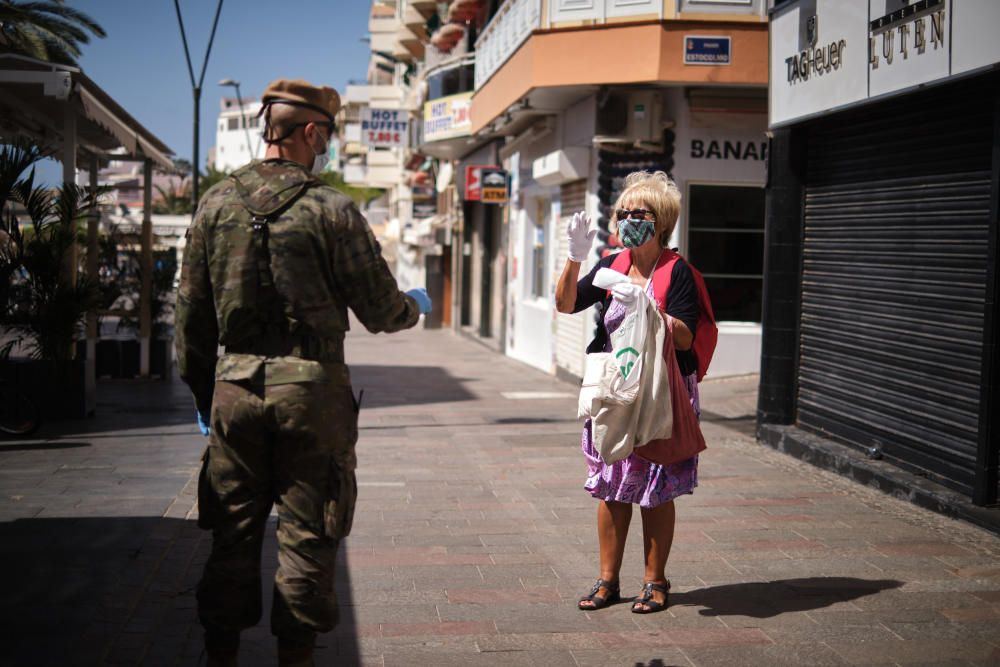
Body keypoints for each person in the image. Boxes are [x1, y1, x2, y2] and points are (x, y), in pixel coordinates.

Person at [175, 78, 432, 666]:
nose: (328, 147)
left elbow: (188, 318)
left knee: (232, 534)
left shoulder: (214, 204)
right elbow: (381, 310)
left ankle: (221, 655)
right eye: (328, 136)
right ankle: (295, 657)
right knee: (308, 532)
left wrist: (201, 393)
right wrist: (415, 305)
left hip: (234, 393)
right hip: (312, 396)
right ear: (310, 131)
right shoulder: (332, 210)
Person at [554, 171, 699, 614]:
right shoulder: (610, 265)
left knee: (656, 486)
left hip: (661, 390)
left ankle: (655, 581)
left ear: (662, 222)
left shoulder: (678, 272)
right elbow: (565, 303)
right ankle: (607, 580)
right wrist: (576, 258)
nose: (631, 219)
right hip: (614, 388)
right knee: (612, 486)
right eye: (625, 213)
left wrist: (651, 309)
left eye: (642, 213)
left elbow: (687, 339)